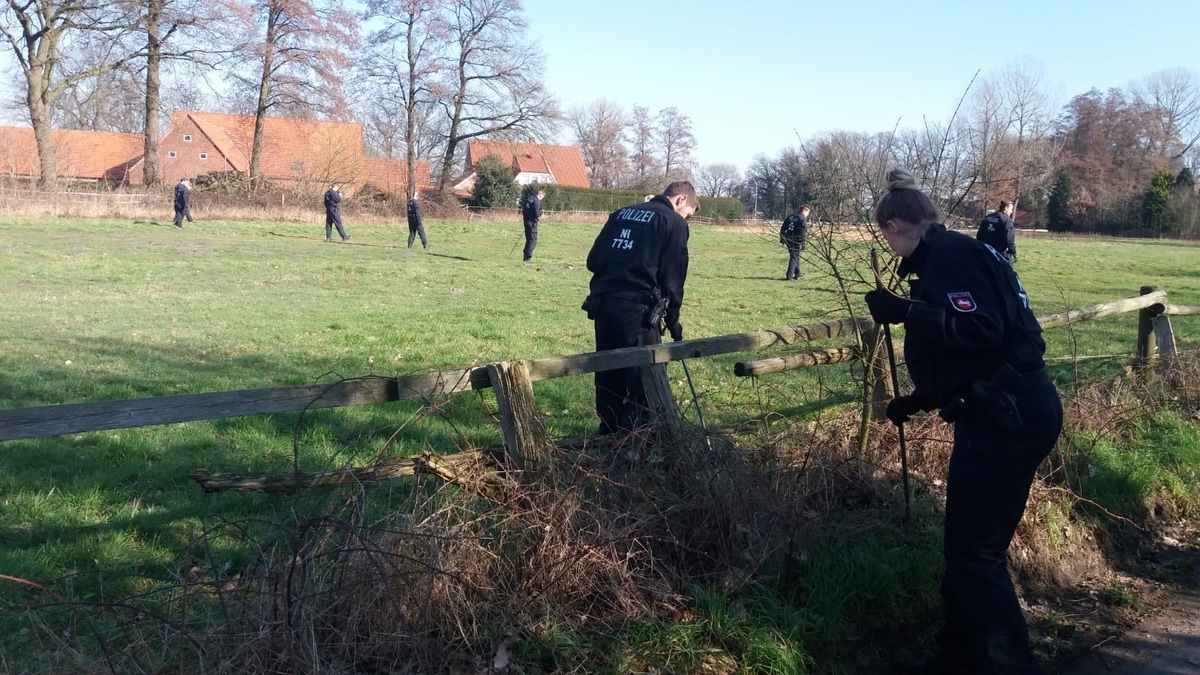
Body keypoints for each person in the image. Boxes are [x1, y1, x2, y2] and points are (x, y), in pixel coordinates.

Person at [863, 169, 1061, 675]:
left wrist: (908, 311)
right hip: (1008, 406)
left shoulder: (950, 257)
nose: (889, 245)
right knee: (967, 546)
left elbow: (981, 328)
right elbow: (979, 354)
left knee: (976, 552)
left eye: (886, 233)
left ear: (896, 225)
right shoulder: (963, 252)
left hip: (1006, 418)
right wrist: (921, 399)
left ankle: (1007, 665)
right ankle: (960, 656)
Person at [583, 181, 697, 435]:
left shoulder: (620, 214)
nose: (685, 219)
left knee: (608, 371)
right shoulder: (673, 222)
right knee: (642, 376)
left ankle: (609, 433)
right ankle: (638, 441)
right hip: (639, 310)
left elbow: (593, 261)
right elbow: (673, 278)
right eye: (688, 214)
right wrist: (674, 319)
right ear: (680, 200)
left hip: (603, 305)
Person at [779, 204, 810, 280]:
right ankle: (789, 276)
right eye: (808, 212)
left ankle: (797, 273)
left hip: (788, 238)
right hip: (796, 239)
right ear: (804, 211)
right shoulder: (802, 219)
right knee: (794, 257)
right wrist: (803, 243)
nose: (808, 214)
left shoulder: (791, 217)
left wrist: (782, 238)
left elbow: (783, 227)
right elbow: (802, 232)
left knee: (796, 256)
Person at [521, 189, 545, 261]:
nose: (541, 199)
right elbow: (537, 213)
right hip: (532, 223)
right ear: (541, 195)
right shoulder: (536, 201)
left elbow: (524, 209)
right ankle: (528, 257)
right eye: (542, 197)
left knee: (528, 239)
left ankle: (525, 255)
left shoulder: (529, 199)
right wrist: (540, 215)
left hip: (526, 220)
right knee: (532, 240)